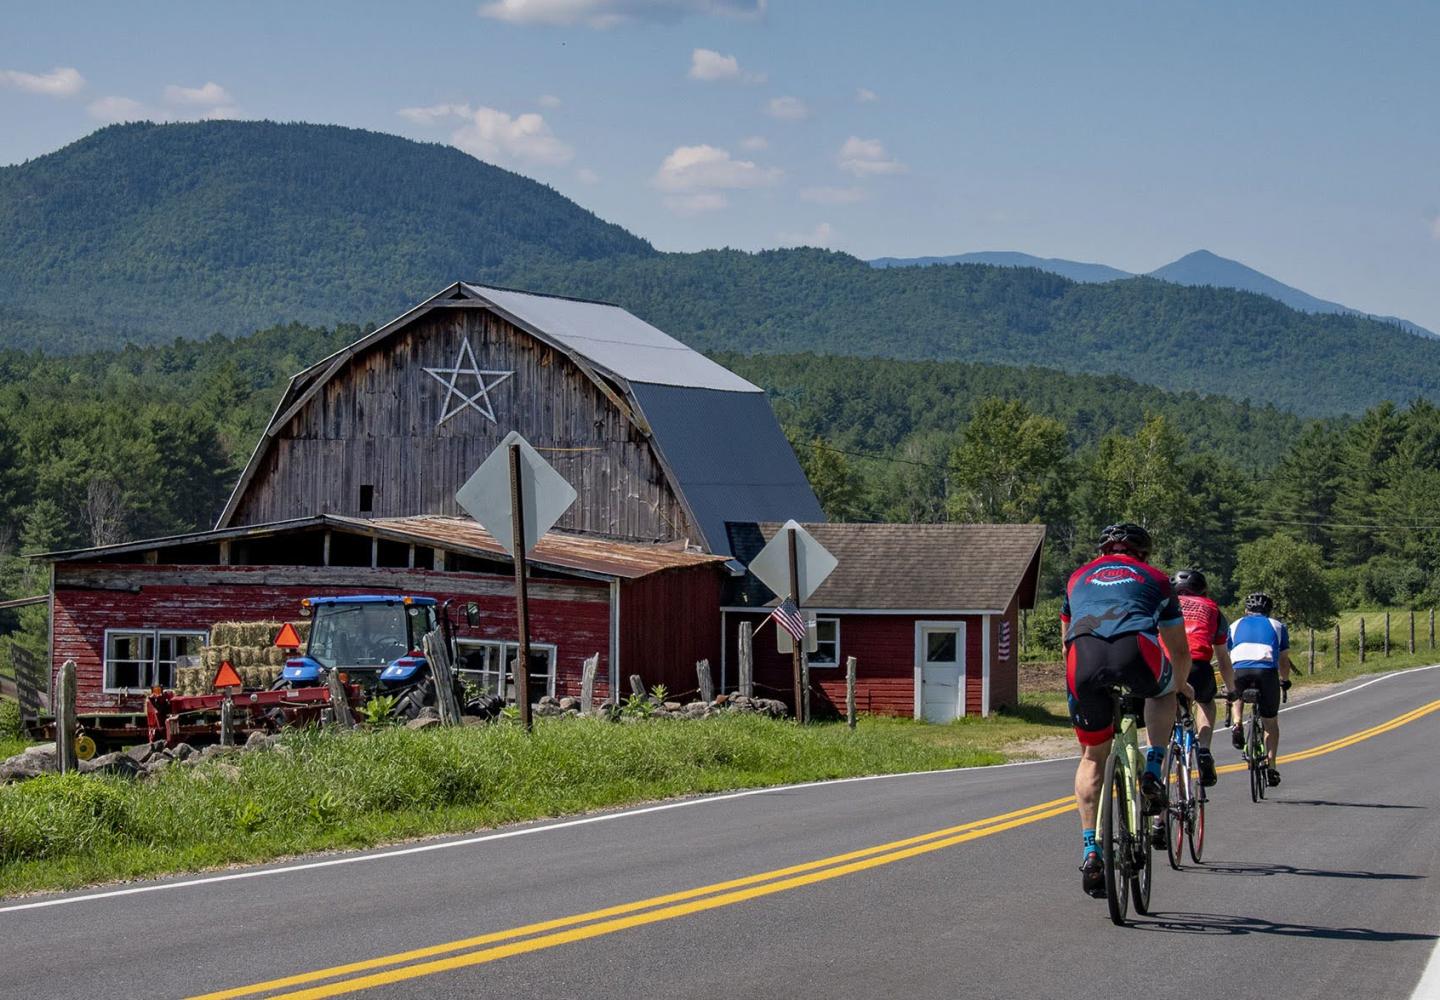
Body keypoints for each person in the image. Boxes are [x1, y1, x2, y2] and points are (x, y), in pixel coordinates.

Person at [1064, 523, 1193, 899]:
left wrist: (1077, 692)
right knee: (1163, 690)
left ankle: (1091, 849)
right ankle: (1153, 769)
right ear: (1144, 554)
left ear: (1102, 552)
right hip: (1135, 652)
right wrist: (1180, 683)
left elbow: (1065, 642)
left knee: (1091, 757)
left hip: (1082, 661)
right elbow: (1179, 650)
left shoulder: (1076, 578)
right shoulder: (1156, 578)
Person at [1170, 569, 1236, 786]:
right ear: (1204, 591)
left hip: (1167, 665)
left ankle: (1157, 764)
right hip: (1198, 665)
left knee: (1161, 708)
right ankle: (1205, 749)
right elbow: (1223, 658)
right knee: (1206, 704)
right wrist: (1232, 690)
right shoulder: (1213, 609)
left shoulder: (1163, 604)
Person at [1227, 592, 1293, 787]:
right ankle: (1271, 766)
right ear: (1268, 610)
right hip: (1266, 672)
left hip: (1240, 669)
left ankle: (1237, 723)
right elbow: (1283, 660)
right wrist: (1285, 680)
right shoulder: (1277, 626)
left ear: (1246, 610)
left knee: (1235, 690)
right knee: (1271, 723)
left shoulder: (1234, 625)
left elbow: (1228, 652)